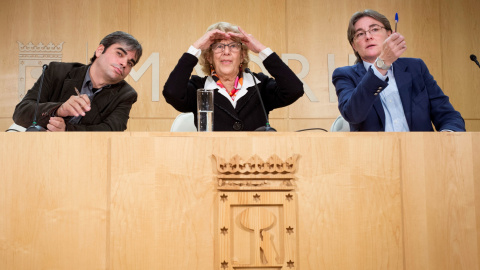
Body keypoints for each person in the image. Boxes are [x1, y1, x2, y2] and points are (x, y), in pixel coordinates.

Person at [332, 10, 465, 132]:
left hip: (422, 152)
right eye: (360, 34)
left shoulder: (415, 68)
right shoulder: (345, 75)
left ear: (389, 34)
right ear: (354, 46)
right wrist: (381, 65)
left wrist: (448, 137)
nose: (368, 36)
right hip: (374, 155)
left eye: (374, 29)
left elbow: (448, 115)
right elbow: (353, 114)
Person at [163, 22, 304, 131]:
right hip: (211, 163)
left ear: (242, 55)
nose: (226, 51)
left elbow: (294, 89)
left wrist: (261, 50)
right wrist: (196, 47)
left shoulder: (259, 85)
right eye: (218, 46)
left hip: (254, 164)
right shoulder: (199, 88)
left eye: (233, 46)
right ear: (209, 58)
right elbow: (172, 92)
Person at [13, 31, 142, 131]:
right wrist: (58, 110)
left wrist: (67, 129)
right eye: (119, 53)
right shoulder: (56, 72)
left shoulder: (126, 94)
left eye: (130, 63)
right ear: (100, 50)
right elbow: (20, 113)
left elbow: (111, 130)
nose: (124, 63)